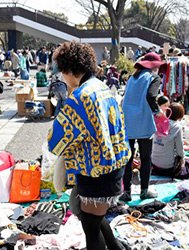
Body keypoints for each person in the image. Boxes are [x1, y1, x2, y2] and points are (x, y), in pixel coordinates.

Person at [48, 41, 130, 250]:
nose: (62, 77)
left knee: (91, 229)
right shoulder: (101, 87)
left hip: (95, 171)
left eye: (62, 71)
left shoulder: (79, 97)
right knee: (94, 218)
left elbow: (55, 140)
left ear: (69, 69)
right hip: (114, 165)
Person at [121, 52, 165, 201]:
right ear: (155, 67)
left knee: (128, 158)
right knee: (146, 158)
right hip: (144, 121)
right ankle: (144, 191)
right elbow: (151, 96)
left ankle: (126, 192)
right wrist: (157, 111)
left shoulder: (133, 78)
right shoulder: (154, 77)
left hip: (128, 120)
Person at [151, 103, 185, 177]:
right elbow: (180, 150)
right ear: (180, 115)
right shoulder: (177, 127)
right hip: (168, 167)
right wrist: (183, 161)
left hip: (154, 163)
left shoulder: (158, 122)